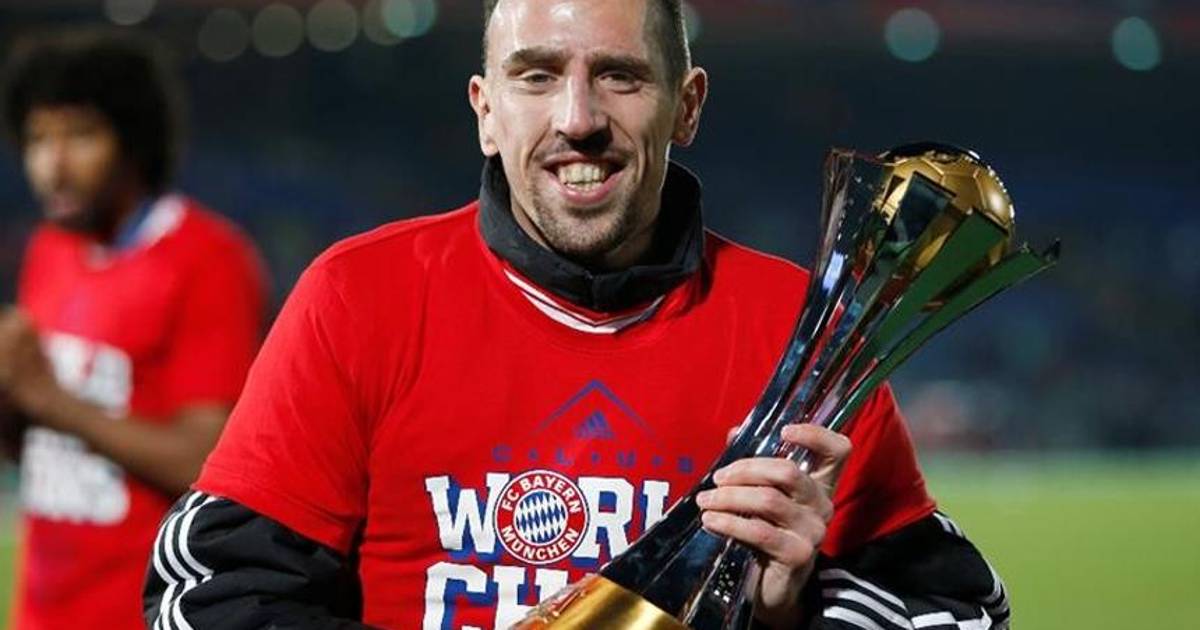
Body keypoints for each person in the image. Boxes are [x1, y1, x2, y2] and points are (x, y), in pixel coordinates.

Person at [143, 1, 1010, 628]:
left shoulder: (802, 332)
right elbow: (208, 593)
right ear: (487, 112)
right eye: (537, 76)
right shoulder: (360, 297)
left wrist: (795, 612)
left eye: (620, 76)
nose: (579, 119)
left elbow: (959, 613)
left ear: (688, 105)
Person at [0, 29, 267, 629]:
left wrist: (48, 399)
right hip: (42, 611)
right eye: (38, 139)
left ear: (135, 142)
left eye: (80, 135)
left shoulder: (207, 259)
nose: (53, 165)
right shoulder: (49, 250)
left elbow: (208, 462)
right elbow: (31, 447)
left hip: (142, 611)